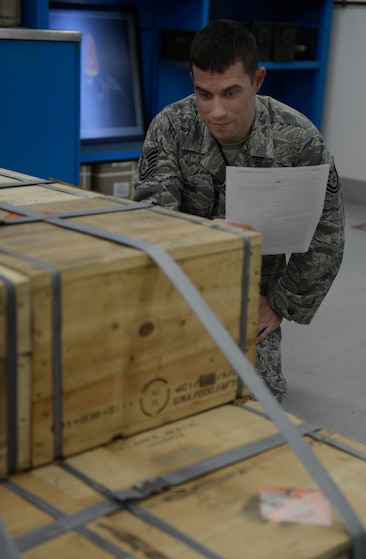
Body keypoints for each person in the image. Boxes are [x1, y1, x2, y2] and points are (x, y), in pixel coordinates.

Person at [133, 19, 345, 403]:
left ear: (258, 81)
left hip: (251, 299)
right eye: (204, 94)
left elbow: (327, 235)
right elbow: (151, 221)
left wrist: (279, 304)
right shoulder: (170, 127)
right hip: (180, 288)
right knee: (149, 393)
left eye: (231, 93)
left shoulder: (299, 141)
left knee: (252, 401)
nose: (216, 112)